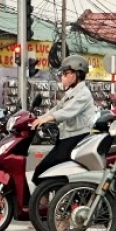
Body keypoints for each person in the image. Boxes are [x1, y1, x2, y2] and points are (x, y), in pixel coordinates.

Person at [31, 55, 96, 183]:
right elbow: (56, 109)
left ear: (75, 74)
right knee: (44, 171)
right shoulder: (72, 93)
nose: (63, 77)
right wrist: (39, 119)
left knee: (42, 171)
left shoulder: (83, 93)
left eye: (66, 74)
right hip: (66, 137)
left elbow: (67, 112)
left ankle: (41, 202)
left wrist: (47, 119)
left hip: (76, 139)